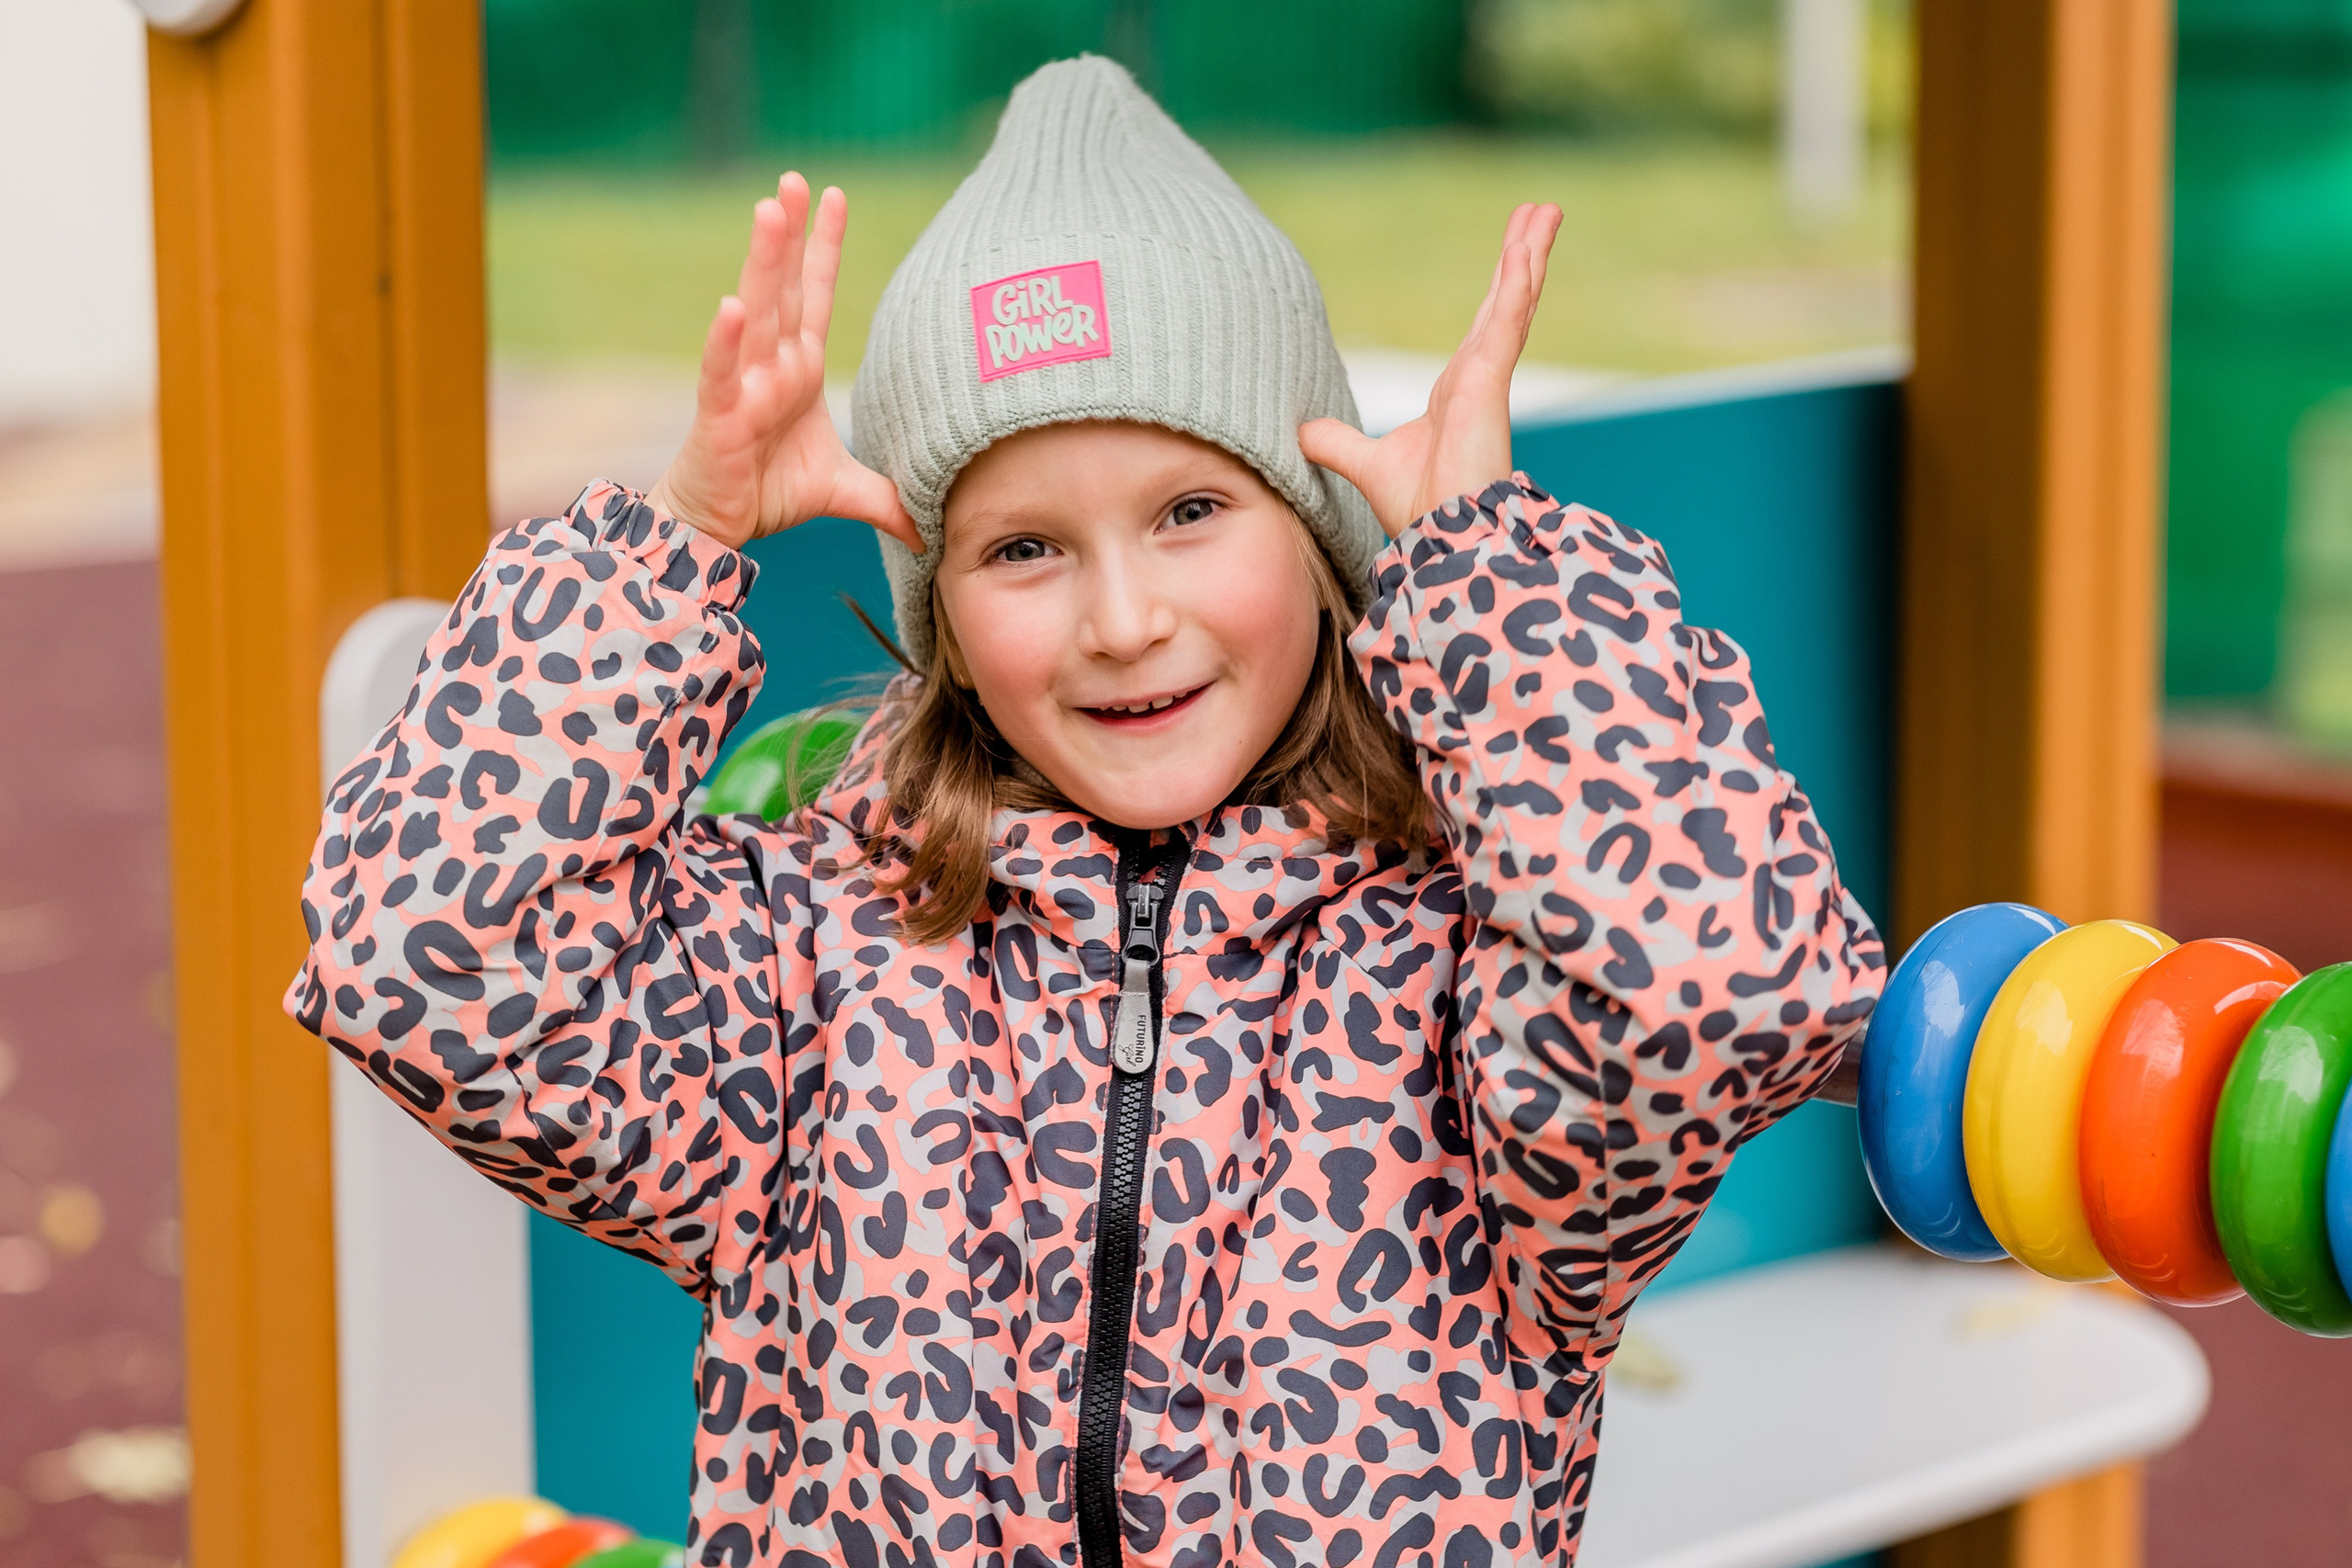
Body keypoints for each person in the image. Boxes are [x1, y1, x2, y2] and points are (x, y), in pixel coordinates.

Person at [289, 56, 1881, 1568]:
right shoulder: (816, 965)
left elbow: (1721, 989)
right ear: (943, 616)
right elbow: (423, 960)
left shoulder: (1472, 997)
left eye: (1191, 512)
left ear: (1320, 541)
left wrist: (1487, 573)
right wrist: (677, 542)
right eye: (1025, 550)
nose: (1123, 620)